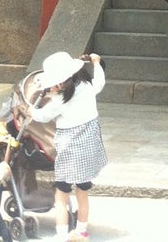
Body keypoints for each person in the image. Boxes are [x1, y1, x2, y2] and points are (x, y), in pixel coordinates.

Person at [27, 49, 107, 242]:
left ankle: (62, 235)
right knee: (82, 193)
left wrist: (29, 108)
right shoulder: (87, 87)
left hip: (69, 153)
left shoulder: (61, 100)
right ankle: (81, 232)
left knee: (61, 196)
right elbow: (100, 82)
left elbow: (41, 116)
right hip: (88, 150)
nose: (52, 87)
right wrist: (96, 63)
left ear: (61, 82)